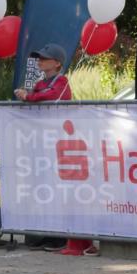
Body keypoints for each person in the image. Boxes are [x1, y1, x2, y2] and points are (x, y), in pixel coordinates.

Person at [15, 44, 96, 256]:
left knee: (65, 190)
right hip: (43, 144)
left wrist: (28, 96)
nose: (40, 61)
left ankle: (69, 237)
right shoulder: (40, 82)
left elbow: (52, 96)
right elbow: (38, 94)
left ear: (57, 63)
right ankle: (51, 232)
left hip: (60, 144)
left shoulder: (61, 81)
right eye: (39, 57)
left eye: (45, 58)